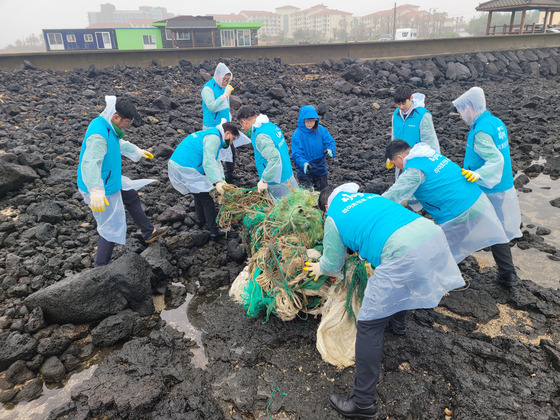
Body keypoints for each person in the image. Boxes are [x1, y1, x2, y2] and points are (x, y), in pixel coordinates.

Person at [304, 183, 464, 419]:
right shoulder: (369, 198)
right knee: (402, 280)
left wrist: (320, 266)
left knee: (369, 326)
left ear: (326, 207)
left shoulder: (333, 216)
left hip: (402, 251)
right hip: (432, 236)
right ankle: (398, 325)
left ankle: (362, 403)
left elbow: (333, 264)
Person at [77, 96, 169, 268]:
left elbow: (118, 143)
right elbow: (90, 163)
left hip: (110, 178)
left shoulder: (108, 124)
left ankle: (149, 232)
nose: (128, 125)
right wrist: (96, 191)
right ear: (116, 117)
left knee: (131, 197)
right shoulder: (98, 135)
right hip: (99, 185)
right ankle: (101, 265)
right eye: (128, 121)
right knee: (109, 224)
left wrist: (137, 151)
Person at [383, 140, 509, 263]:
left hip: (457, 212)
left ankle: (442, 280)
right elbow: (428, 186)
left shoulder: (413, 170)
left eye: (395, 164)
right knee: (496, 236)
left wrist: (372, 205)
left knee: (438, 251)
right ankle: (508, 274)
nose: (397, 167)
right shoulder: (429, 154)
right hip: (478, 200)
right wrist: (408, 203)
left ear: (400, 158)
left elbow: (394, 194)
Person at [453, 86, 522, 286]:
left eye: (461, 110)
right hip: (501, 186)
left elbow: (496, 159)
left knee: (462, 223)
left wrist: (478, 174)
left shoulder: (481, 131)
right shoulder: (495, 122)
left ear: (470, 108)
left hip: (486, 188)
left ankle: (447, 264)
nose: (459, 115)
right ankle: (508, 274)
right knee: (496, 229)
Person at [168, 122, 239, 240]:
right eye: (232, 139)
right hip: (184, 168)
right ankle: (214, 232)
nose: (231, 143)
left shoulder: (214, 135)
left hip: (181, 165)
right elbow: (208, 162)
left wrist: (222, 180)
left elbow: (215, 161)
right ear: (227, 133)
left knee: (198, 193)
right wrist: (216, 182)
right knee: (207, 198)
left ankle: (200, 220)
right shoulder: (214, 138)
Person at [237, 106, 298, 200]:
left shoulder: (260, 136)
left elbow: (274, 158)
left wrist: (264, 179)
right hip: (287, 173)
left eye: (242, 125)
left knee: (280, 209)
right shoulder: (270, 126)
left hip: (277, 181)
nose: (243, 128)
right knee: (296, 202)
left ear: (244, 121)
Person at [387, 85, 440, 172]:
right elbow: (394, 137)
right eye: (398, 104)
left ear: (411, 98)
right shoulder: (396, 115)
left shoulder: (422, 115)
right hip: (400, 160)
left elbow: (430, 141)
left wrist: (435, 163)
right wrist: (391, 155)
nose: (401, 107)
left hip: (418, 161)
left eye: (404, 103)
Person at [201, 62, 238, 183]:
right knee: (213, 154)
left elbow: (226, 107)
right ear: (218, 76)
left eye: (228, 79)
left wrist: (229, 119)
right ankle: (215, 179)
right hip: (211, 127)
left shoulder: (224, 88)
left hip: (225, 126)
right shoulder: (208, 88)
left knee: (230, 149)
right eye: (224, 79)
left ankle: (229, 174)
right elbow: (212, 107)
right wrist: (224, 95)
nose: (225, 82)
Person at [290, 105, 336, 191]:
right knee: (308, 198)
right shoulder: (297, 135)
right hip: (305, 172)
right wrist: (303, 164)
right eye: (307, 121)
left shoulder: (321, 130)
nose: (309, 124)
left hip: (320, 169)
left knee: (323, 195)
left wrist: (330, 150)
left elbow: (330, 142)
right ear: (302, 120)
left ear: (316, 121)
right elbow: (297, 154)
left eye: (312, 121)